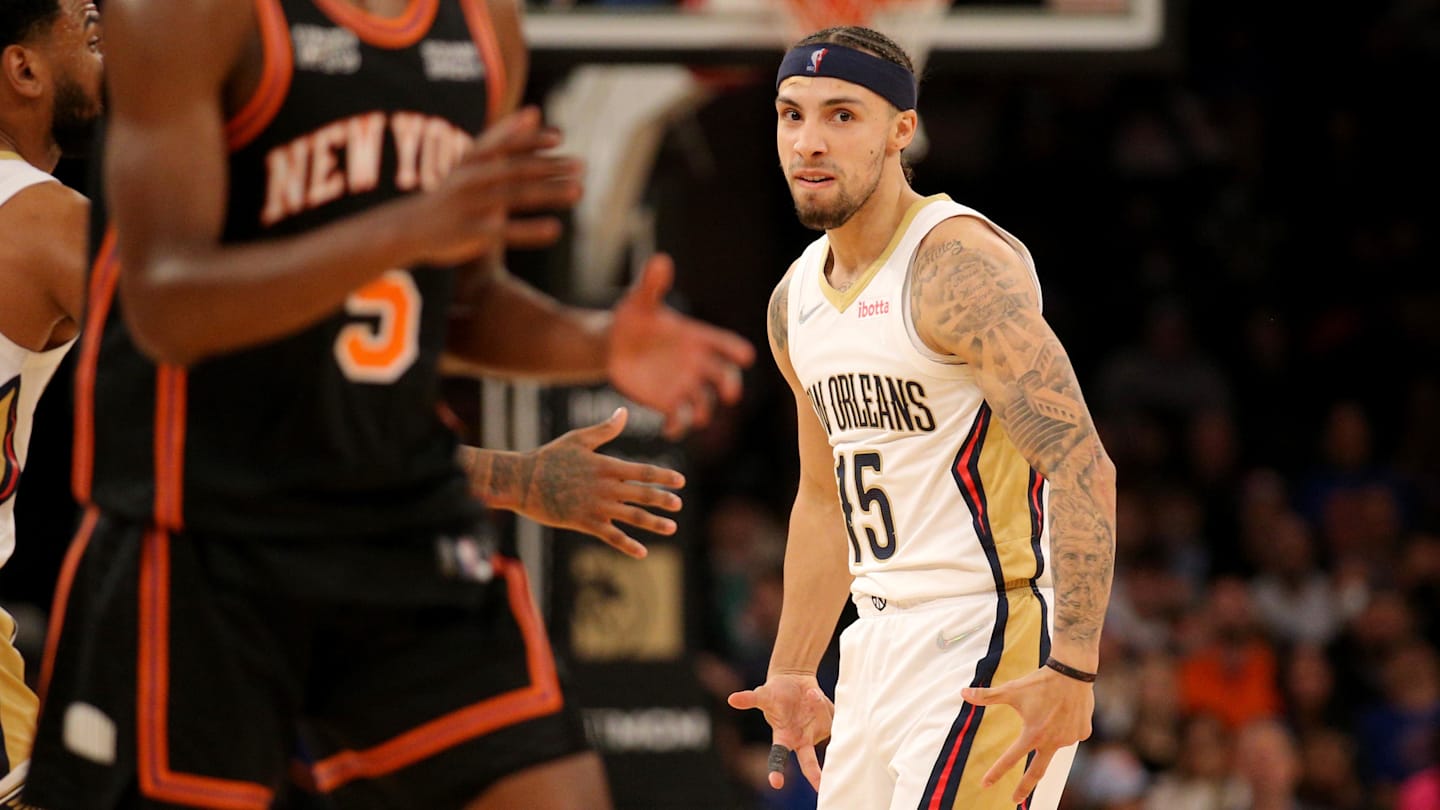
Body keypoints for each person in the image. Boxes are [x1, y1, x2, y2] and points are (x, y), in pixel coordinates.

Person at [22, 0, 753, 808]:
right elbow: (160, 306)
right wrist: (410, 227)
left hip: (401, 520)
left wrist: (597, 342)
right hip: (207, 529)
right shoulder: (190, 14)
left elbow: (461, 301)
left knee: (557, 792)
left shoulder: (481, 29)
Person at [728, 25, 1116, 810]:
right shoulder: (794, 300)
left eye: (843, 116)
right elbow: (823, 497)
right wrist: (796, 666)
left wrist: (1075, 665)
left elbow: (1079, 462)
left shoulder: (956, 268)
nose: (809, 141)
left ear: (901, 129)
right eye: (791, 114)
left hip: (988, 630)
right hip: (871, 642)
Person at [0, 0, 101, 801]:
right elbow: (231, 404)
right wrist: (502, 477)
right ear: (23, 69)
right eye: (92, 33)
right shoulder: (46, 222)